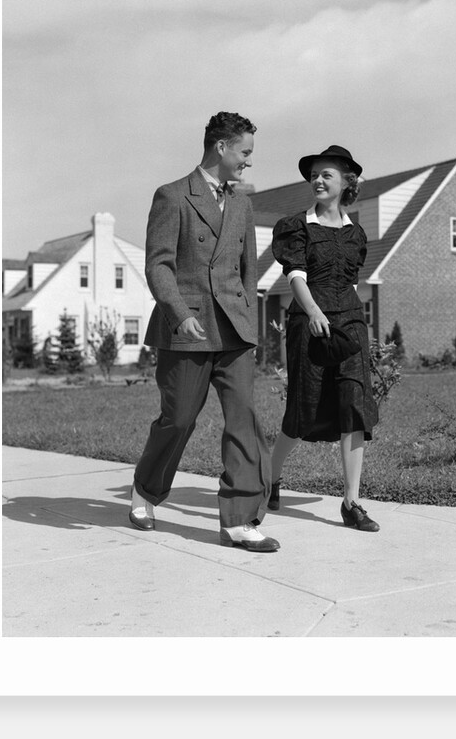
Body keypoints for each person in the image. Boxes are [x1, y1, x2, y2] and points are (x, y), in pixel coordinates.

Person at [129, 112, 279, 552]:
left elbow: (248, 270)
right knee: (178, 419)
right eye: (245, 152)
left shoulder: (243, 203)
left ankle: (240, 519)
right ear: (221, 147)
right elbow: (158, 263)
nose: (249, 161)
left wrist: (248, 317)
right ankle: (146, 490)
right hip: (187, 329)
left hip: (233, 331)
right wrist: (178, 311)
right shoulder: (172, 196)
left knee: (243, 420)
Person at [269, 144, 380, 531]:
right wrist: (314, 311)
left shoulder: (356, 233)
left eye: (326, 174)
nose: (317, 180)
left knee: (354, 405)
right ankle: (271, 475)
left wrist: (342, 315)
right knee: (305, 407)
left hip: (349, 324)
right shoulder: (295, 226)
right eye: (314, 174)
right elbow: (295, 276)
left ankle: (352, 502)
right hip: (309, 323)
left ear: (346, 182)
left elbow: (350, 281)